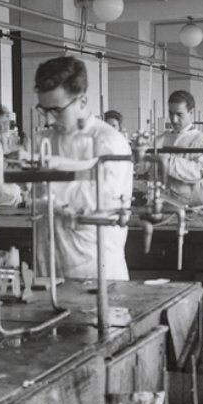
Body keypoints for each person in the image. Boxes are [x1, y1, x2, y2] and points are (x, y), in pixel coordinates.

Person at [32, 56, 132, 281]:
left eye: (56, 110)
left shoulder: (108, 141)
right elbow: (36, 197)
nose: (48, 119)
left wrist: (50, 186)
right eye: (43, 109)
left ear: (83, 101)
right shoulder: (45, 139)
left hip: (96, 268)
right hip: (49, 263)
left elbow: (102, 200)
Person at [154, 90, 203, 208]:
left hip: (195, 207)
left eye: (179, 114)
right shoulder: (160, 140)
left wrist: (166, 160)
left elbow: (197, 172)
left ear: (191, 113)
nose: (174, 119)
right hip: (165, 206)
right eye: (171, 113)